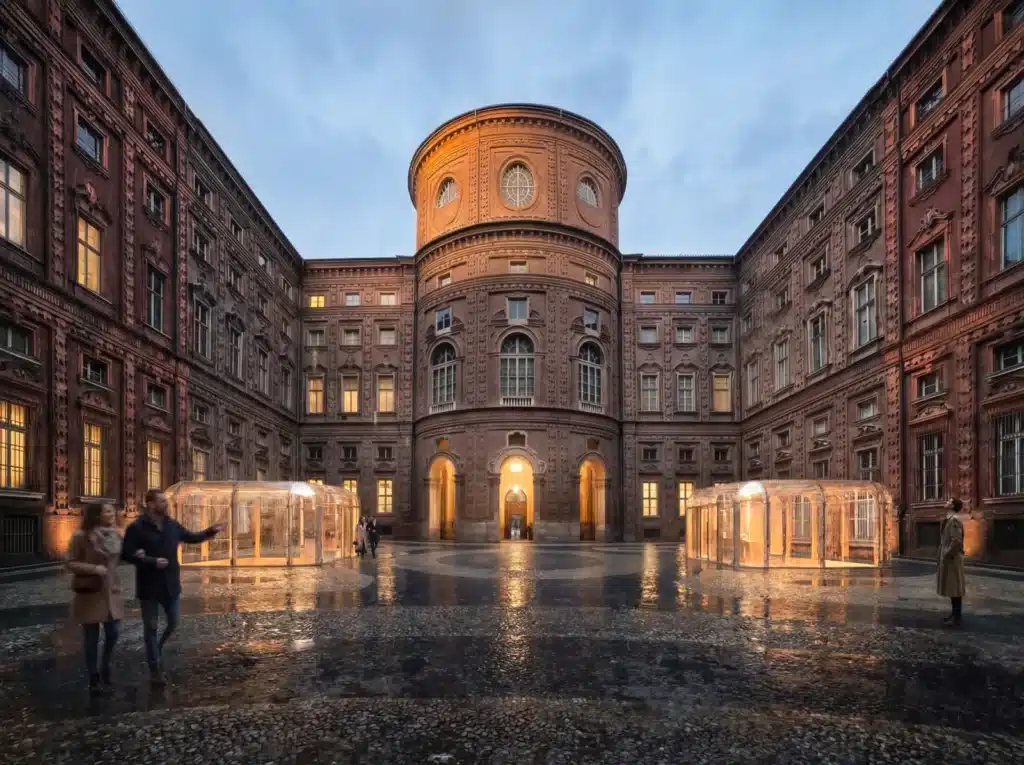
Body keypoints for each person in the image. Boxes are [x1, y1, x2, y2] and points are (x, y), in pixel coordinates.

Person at [122, 489, 225, 685]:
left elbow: (192, 537)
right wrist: (151, 561)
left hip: (170, 585)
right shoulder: (136, 528)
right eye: (162, 501)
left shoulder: (172, 525)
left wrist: (211, 530)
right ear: (150, 504)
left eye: (165, 501)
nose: (166, 504)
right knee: (150, 628)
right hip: (149, 586)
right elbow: (126, 554)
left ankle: (157, 648)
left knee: (174, 622)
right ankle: (155, 669)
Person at [66, 503, 124, 694]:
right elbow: (70, 562)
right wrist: (94, 569)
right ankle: (93, 676)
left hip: (111, 591)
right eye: (107, 511)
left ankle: (105, 665)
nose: (112, 514)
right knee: (91, 637)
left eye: (112, 510)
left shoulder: (116, 535)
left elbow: (121, 558)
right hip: (90, 591)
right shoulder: (80, 537)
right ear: (96, 515)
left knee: (114, 631)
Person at [937, 497, 966, 628]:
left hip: (952, 559)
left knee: (955, 588)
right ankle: (954, 614)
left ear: (953, 505)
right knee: (952, 588)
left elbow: (956, 541)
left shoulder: (954, 521)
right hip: (949, 558)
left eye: (949, 501)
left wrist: (946, 554)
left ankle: (957, 617)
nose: (946, 502)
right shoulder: (949, 519)